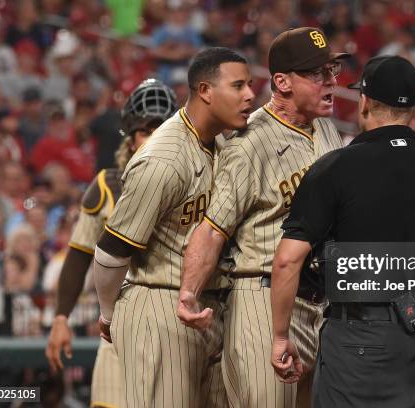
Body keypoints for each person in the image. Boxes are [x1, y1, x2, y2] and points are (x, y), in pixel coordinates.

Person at [270, 55, 415, 407]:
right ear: (413, 106)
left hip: (359, 338)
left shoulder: (334, 168)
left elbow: (288, 261)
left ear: (364, 102)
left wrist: (278, 336)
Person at [177, 28, 346, 408]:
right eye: (318, 74)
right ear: (282, 82)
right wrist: (189, 292)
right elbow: (213, 228)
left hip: (324, 306)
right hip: (263, 299)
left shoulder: (328, 130)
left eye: (332, 70)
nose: (332, 82)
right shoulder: (249, 144)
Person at [93, 47, 254, 408]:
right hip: (160, 303)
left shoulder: (226, 142)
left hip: (213, 308)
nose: (249, 95)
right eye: (239, 85)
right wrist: (108, 313)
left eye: (250, 85)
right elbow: (110, 251)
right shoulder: (163, 159)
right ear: (205, 91)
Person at [45, 78, 178, 408]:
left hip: (178, 323)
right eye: (147, 130)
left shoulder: (200, 177)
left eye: (162, 128)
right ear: (131, 138)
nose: (155, 138)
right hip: (117, 325)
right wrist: (61, 318)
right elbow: (78, 254)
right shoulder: (108, 185)